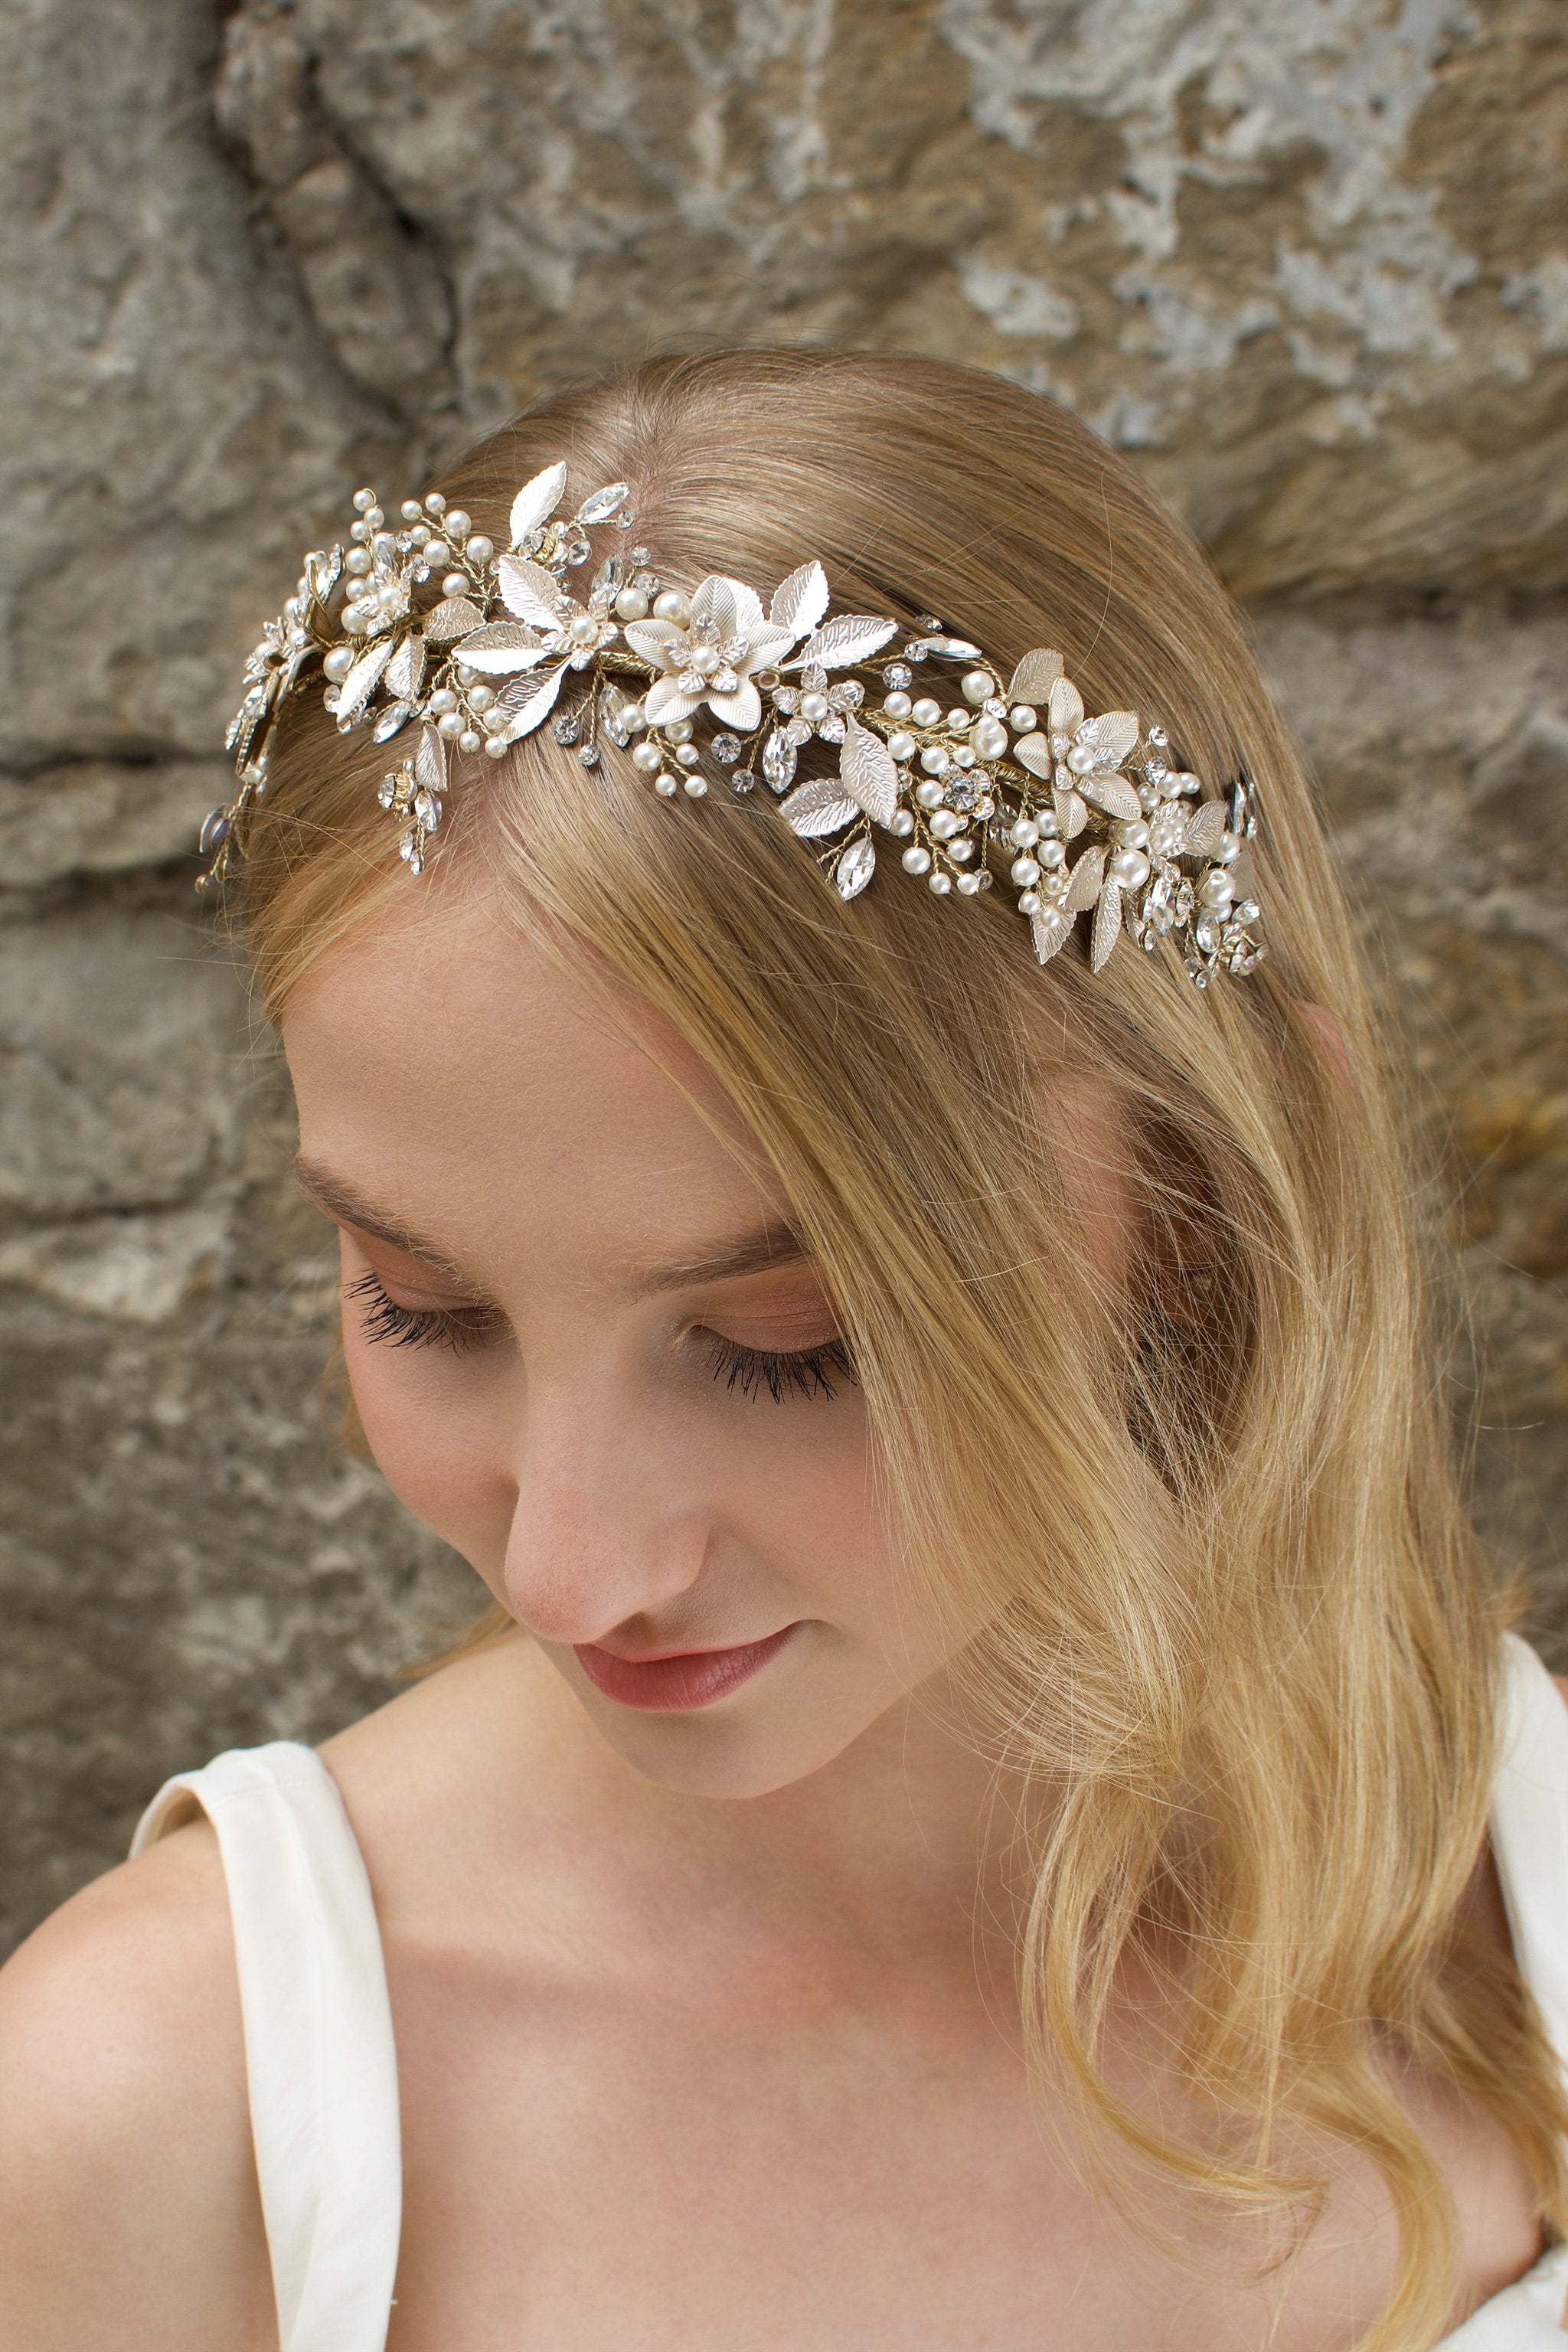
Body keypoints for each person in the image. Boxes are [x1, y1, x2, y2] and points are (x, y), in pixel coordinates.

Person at [0, 347, 1563, 2352]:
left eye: (784, 1342)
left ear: (1210, 1212)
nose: (569, 1571)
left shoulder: (1518, 1895)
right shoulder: (143, 2124)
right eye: (422, 1302)